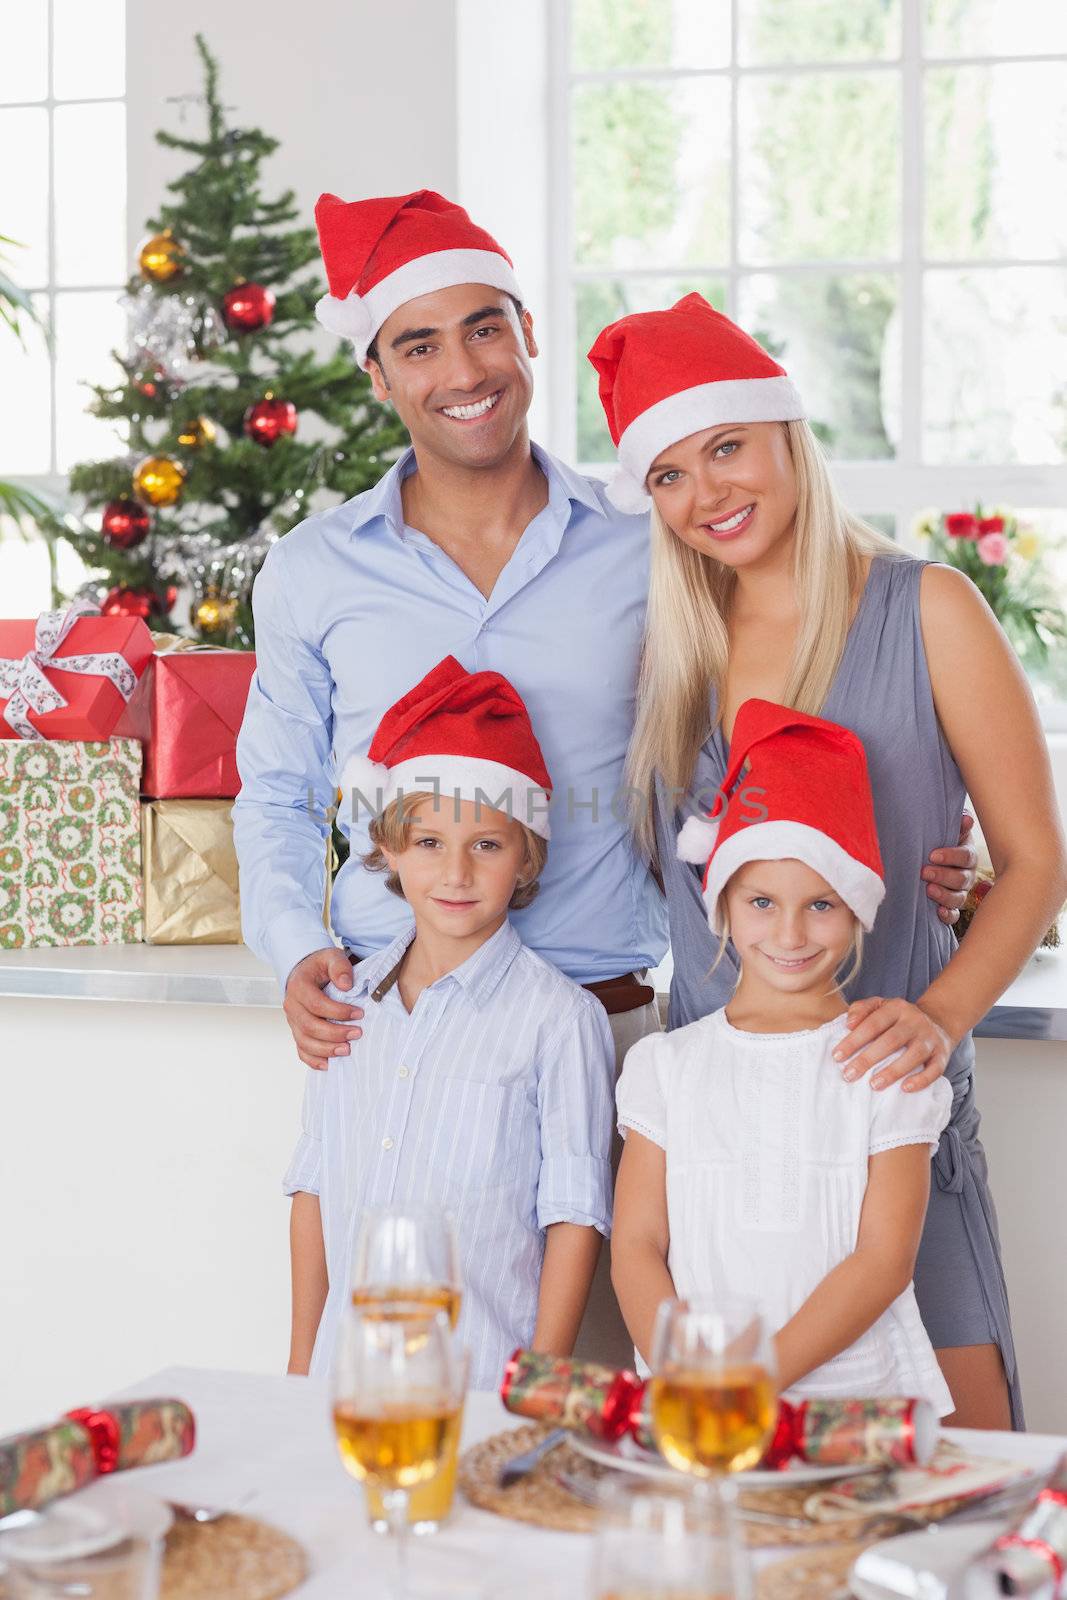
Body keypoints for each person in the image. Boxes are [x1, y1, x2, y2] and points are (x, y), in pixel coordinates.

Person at [232, 190, 975, 1360]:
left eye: (483, 326)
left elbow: (767, 715)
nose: (461, 367)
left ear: (527, 331)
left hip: (617, 1035)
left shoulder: (650, 540)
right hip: (398, 1042)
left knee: (596, 1442)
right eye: (416, 344)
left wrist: (907, 832)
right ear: (377, 373)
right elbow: (274, 792)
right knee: (386, 1383)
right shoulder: (313, 572)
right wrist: (291, 948)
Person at [589, 292, 1067, 1426]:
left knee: (964, 1487)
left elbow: (1035, 860)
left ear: (783, 432)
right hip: (711, 1154)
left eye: (723, 447)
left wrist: (939, 1014)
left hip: (885, 1113)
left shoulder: (927, 610)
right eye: (666, 474)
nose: (705, 493)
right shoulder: (669, 654)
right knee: (739, 1506)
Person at [612, 699, 954, 1413]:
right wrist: (686, 1377)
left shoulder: (888, 1065)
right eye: (762, 901)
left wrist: (753, 1380)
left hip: (855, 1407)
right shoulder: (665, 1068)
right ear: (723, 904)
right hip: (692, 1403)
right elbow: (637, 1244)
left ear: (858, 908)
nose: (790, 933)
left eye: (821, 905)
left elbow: (883, 1261)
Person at [284, 656, 615, 1387]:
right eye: (429, 843)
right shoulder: (348, 1004)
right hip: (348, 1381)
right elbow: (312, 1189)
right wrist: (301, 1368)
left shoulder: (560, 1021)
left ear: (526, 859)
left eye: (486, 846)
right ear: (391, 852)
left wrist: (537, 1385)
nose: (456, 873)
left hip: (481, 1385)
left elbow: (574, 1218)